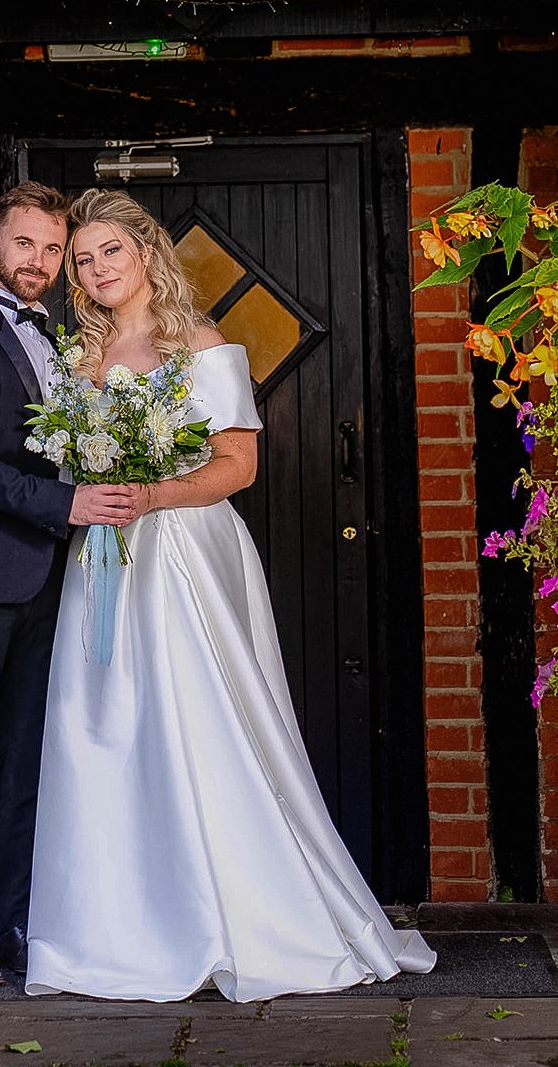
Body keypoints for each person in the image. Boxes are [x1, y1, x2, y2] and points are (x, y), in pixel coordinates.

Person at [24, 187, 436, 1004]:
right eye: (83, 257)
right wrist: (94, 482)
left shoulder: (202, 346)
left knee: (196, 718)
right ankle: (114, 925)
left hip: (181, 550)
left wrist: (149, 495)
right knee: (104, 723)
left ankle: (234, 915)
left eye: (111, 249)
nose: (97, 267)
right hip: (101, 554)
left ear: (146, 253)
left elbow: (235, 468)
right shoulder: (78, 355)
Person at [0, 180, 134, 987]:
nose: (38, 261)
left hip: (51, 578)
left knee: (29, 763)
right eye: (24, 244)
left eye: (51, 248)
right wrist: (68, 502)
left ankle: (16, 920)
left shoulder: (70, 339)